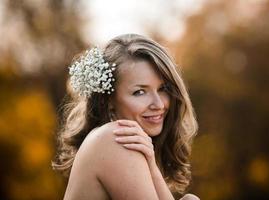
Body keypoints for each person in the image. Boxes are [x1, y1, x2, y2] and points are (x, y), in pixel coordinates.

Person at [52, 34, 200, 200]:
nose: (158, 104)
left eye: (163, 88)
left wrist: (153, 170)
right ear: (109, 101)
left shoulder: (124, 142)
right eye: (140, 92)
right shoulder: (115, 139)